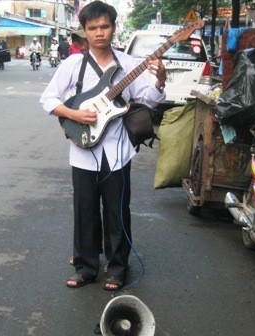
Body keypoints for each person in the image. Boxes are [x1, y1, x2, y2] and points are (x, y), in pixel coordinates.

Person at [40, 0, 167, 291]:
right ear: (84, 31)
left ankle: (118, 267)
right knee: (84, 210)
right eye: (92, 27)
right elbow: (48, 100)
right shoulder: (74, 64)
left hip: (117, 150)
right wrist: (73, 113)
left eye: (105, 26)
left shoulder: (129, 64)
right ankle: (86, 267)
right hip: (83, 149)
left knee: (117, 210)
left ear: (113, 28)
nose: (99, 33)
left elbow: (148, 99)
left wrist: (160, 79)